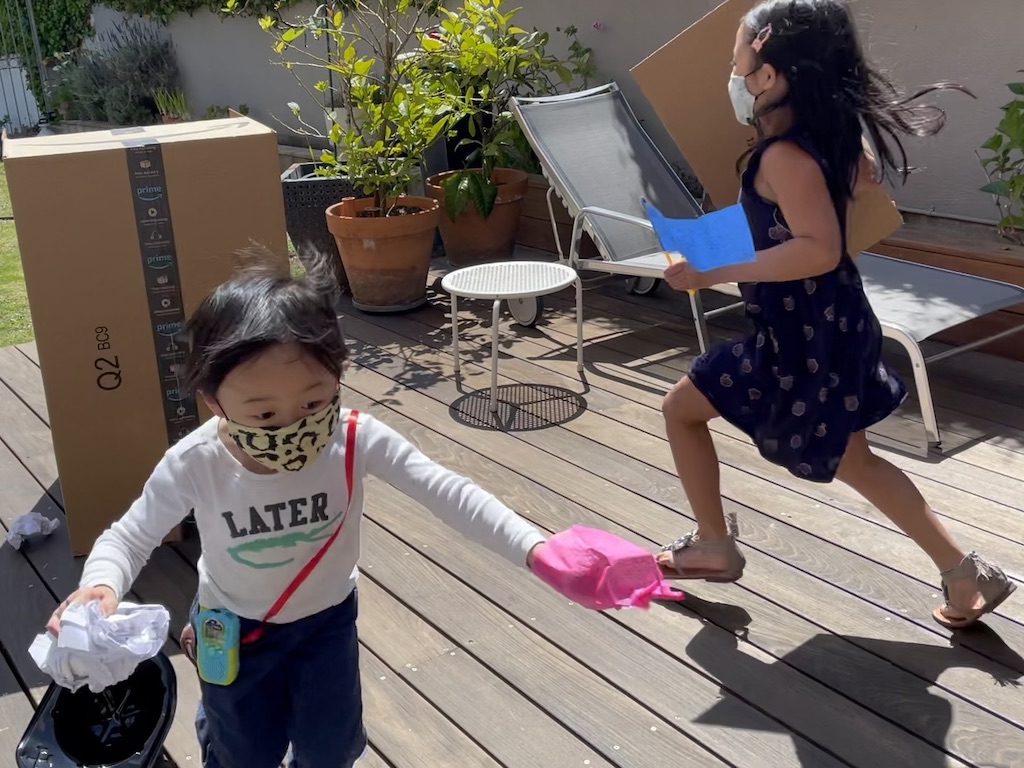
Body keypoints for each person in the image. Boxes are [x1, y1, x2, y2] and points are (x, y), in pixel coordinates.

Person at [46, 249, 566, 768]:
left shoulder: (355, 438)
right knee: (245, 753)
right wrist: (102, 583)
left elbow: (447, 490)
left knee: (332, 749)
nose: (293, 426)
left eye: (314, 403)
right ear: (214, 401)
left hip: (326, 623)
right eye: (265, 414)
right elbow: (130, 536)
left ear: (338, 373)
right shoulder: (195, 463)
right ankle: (217, 726)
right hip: (232, 631)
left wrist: (534, 547)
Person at [656, 0, 1015, 629]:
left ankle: (713, 543)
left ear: (768, 76)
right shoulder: (828, 138)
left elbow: (816, 248)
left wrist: (710, 272)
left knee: (681, 408)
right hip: (835, 324)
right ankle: (966, 574)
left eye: (738, 55)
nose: (731, 68)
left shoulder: (781, 157)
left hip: (798, 340)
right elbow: (849, 190)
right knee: (855, 458)